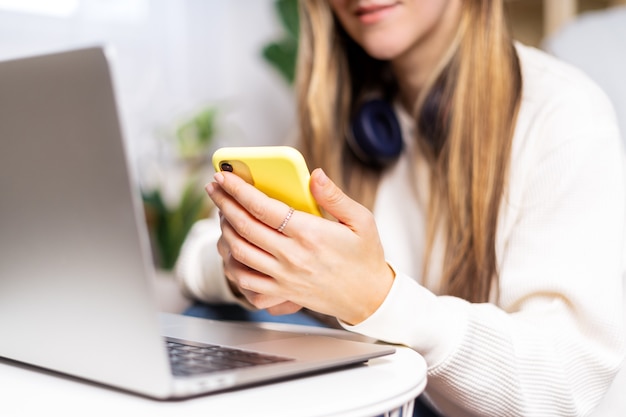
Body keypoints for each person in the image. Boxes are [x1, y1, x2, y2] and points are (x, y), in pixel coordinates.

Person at [175, 1, 626, 415]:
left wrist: (379, 298)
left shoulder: (563, 116)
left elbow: (564, 386)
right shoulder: (344, 118)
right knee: (211, 322)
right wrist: (252, 269)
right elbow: (193, 260)